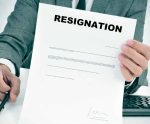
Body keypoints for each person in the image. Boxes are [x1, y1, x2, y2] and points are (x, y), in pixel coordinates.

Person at [0, 0, 149, 102]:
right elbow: (14, 37)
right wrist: (3, 65)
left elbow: (135, 58)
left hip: (96, 98)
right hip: (36, 93)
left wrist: (130, 73)